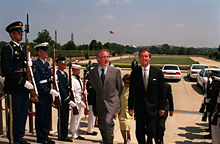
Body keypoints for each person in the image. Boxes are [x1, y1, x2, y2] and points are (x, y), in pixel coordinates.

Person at [1, 21, 33, 144]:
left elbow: (25, 69)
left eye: (21, 32)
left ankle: (19, 136)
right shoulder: (8, 48)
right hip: (14, 87)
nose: (21, 34)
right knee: (14, 115)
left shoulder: (21, 48)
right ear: (12, 34)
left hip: (23, 88)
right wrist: (22, 81)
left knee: (22, 114)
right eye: (19, 32)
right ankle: (13, 139)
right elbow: (7, 69)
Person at [128, 48, 165, 144]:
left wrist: (162, 107)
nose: (144, 58)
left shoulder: (158, 73)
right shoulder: (134, 73)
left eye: (146, 56)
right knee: (139, 133)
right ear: (139, 58)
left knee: (151, 131)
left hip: (153, 109)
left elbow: (162, 92)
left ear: (149, 58)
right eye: (142, 56)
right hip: (139, 108)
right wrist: (130, 107)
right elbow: (132, 92)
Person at [89, 49, 123, 144]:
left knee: (108, 122)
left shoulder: (116, 71)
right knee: (102, 125)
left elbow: (120, 87)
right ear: (98, 59)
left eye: (108, 57)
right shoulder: (92, 72)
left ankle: (109, 142)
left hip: (112, 102)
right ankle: (106, 141)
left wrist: (115, 100)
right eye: (104, 57)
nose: (106, 59)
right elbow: (94, 89)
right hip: (99, 103)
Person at [33, 42, 59, 144]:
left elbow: (48, 78)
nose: (46, 52)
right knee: (41, 116)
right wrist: (49, 90)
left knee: (47, 116)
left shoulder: (47, 63)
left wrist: (53, 79)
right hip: (42, 94)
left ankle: (45, 135)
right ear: (39, 52)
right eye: (44, 50)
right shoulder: (36, 64)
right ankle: (41, 137)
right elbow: (37, 82)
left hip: (47, 94)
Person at [56, 57, 74, 142]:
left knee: (66, 118)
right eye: (63, 63)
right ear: (59, 64)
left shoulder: (65, 74)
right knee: (62, 117)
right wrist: (67, 98)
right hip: (61, 98)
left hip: (66, 97)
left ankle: (65, 135)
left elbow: (67, 87)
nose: (65, 65)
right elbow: (61, 88)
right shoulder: (57, 74)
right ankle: (61, 135)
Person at [69, 64, 86, 140]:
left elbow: (80, 89)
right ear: (73, 70)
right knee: (74, 118)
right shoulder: (72, 79)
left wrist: (84, 92)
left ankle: (76, 132)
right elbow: (72, 92)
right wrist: (76, 102)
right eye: (77, 70)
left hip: (80, 99)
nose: (79, 71)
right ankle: (73, 133)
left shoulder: (78, 78)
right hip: (76, 101)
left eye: (79, 70)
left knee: (78, 118)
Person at [118, 74, 133, 144]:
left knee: (126, 126)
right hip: (121, 112)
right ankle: (124, 139)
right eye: (125, 83)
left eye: (128, 83)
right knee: (122, 128)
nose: (127, 84)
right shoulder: (120, 89)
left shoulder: (133, 90)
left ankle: (128, 135)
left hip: (129, 112)